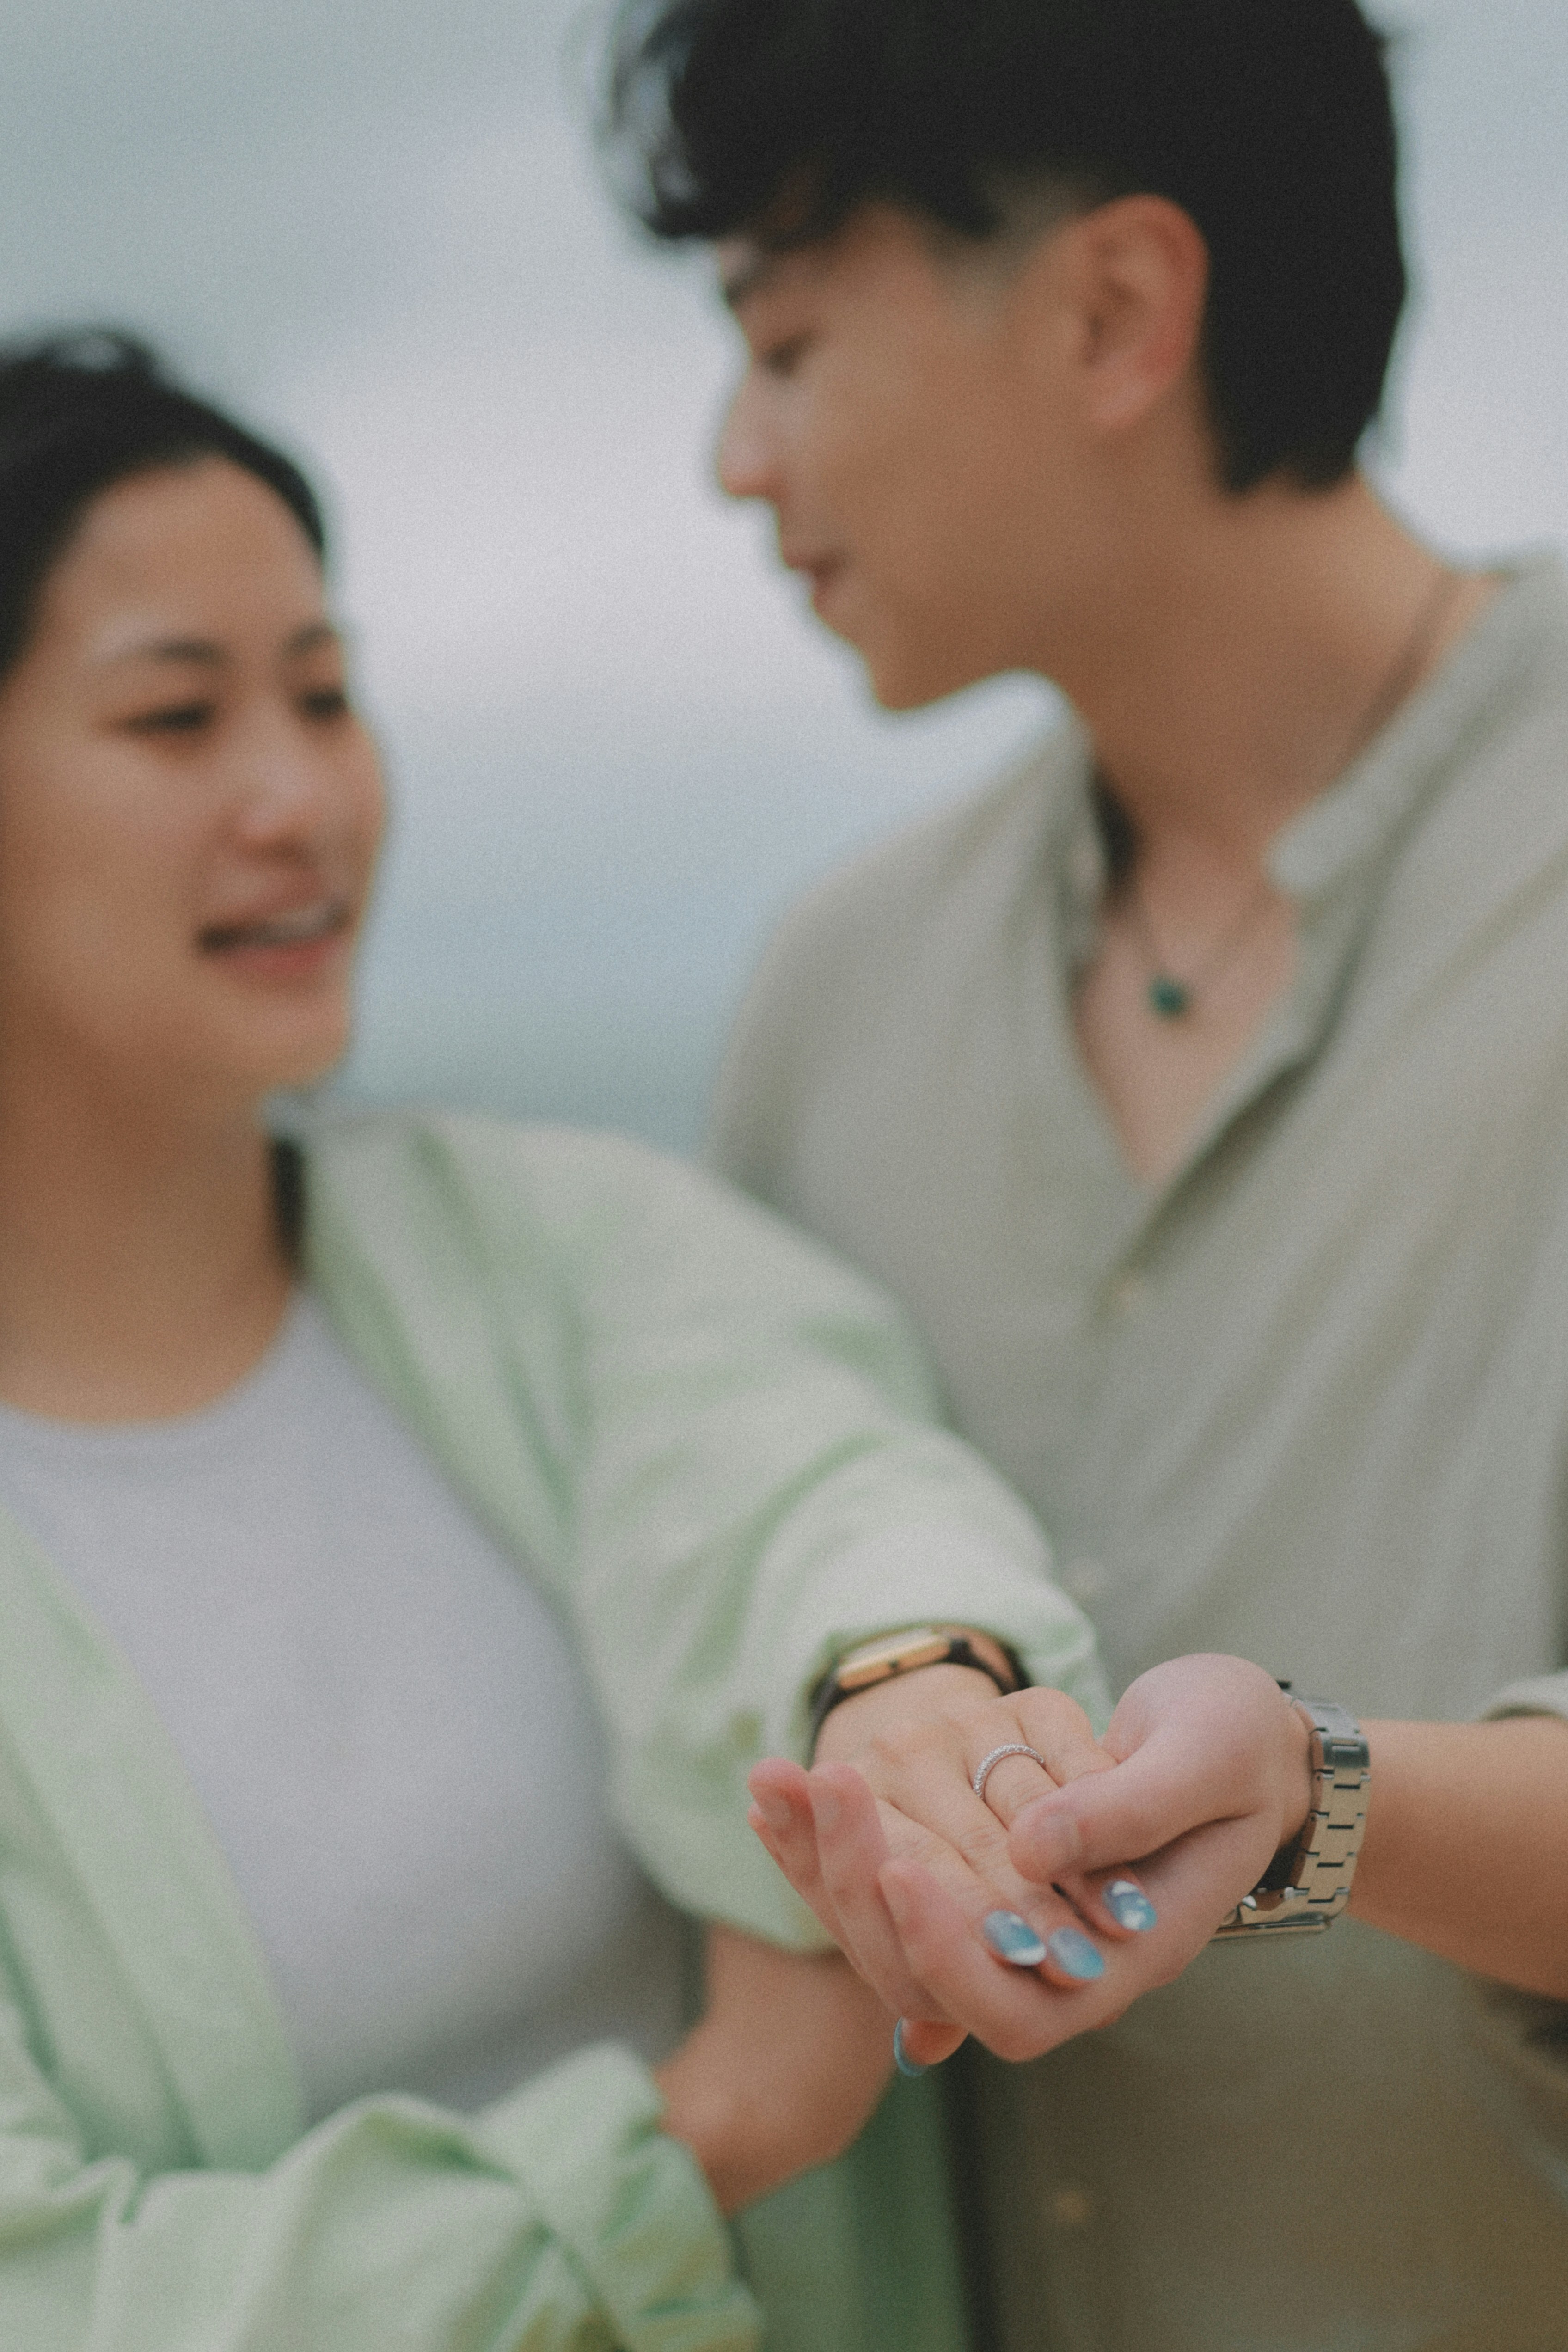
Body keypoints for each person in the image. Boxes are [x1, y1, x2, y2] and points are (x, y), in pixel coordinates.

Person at [0, 330, 1143, 2352]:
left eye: (329, 698)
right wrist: (688, 2148)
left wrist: (901, 1699)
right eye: (178, 718)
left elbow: (807, 1475)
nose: (303, 800)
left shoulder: (554, 1249)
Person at [603, 1, 1568, 2345]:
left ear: (1118, 310)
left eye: (791, 340)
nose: (740, 461)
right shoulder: (836, 1000)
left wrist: (1331, 1805)